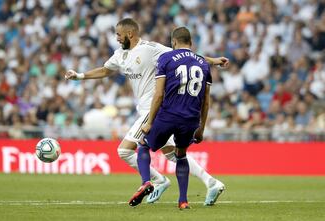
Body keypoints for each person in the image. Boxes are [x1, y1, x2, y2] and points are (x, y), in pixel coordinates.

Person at [65, 18, 228, 204]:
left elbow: (185, 55)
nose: (116, 38)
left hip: (154, 109)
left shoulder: (151, 49)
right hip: (144, 108)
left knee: (124, 151)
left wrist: (213, 61)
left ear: (130, 34)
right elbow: (105, 70)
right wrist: (80, 76)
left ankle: (157, 181)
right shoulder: (120, 55)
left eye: (119, 34)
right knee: (172, 153)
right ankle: (211, 182)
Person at [128, 27, 225, 209]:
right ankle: (183, 201)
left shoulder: (166, 58)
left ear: (173, 42)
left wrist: (149, 122)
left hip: (169, 115)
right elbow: (206, 101)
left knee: (143, 145)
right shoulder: (203, 63)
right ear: (191, 42)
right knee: (181, 155)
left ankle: (147, 182)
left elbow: (158, 95)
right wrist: (201, 128)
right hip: (191, 119)